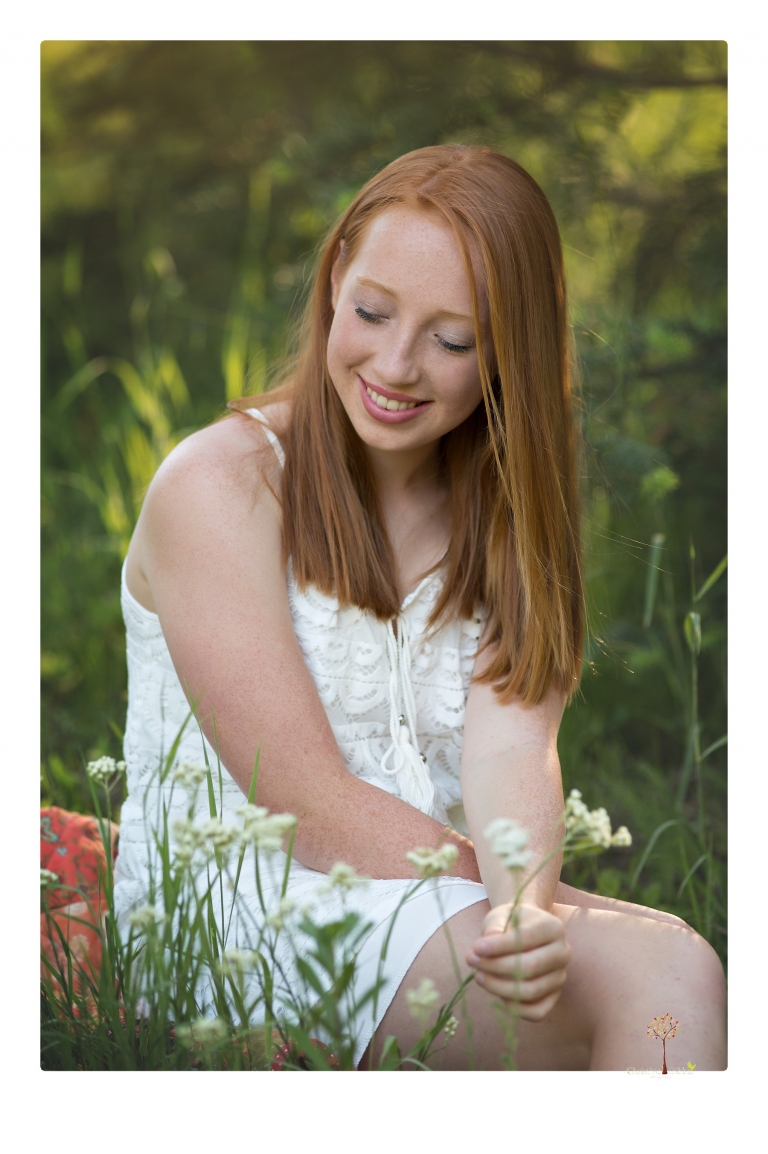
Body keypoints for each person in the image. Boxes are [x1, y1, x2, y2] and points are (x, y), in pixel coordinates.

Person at [114, 144, 726, 1070]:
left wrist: (525, 909)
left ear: (509, 351)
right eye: (372, 312)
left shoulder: (507, 512)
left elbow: (513, 747)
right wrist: (513, 895)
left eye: (453, 341)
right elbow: (303, 800)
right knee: (659, 974)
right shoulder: (221, 484)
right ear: (335, 280)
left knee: (677, 962)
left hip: (430, 896)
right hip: (245, 907)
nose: (396, 366)